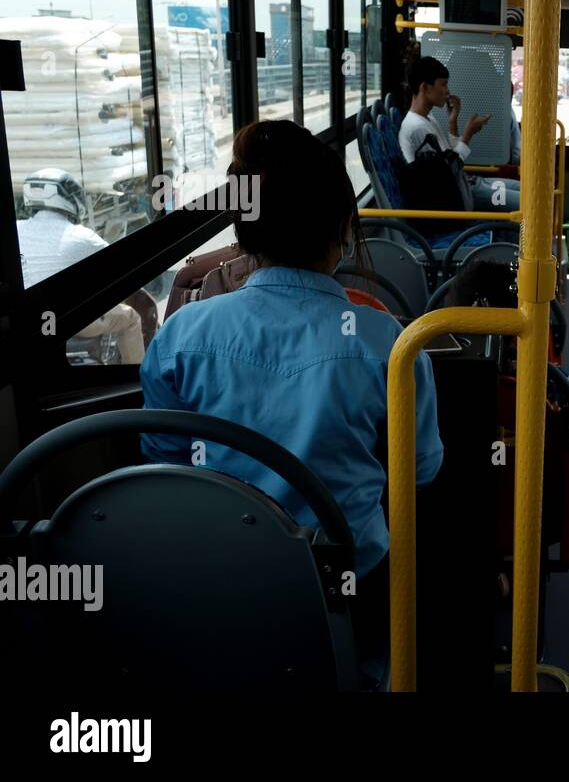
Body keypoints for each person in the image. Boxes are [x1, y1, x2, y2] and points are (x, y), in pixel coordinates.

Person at [139, 120, 443, 667]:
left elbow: (167, 461)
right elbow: (419, 471)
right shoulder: (388, 343)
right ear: (343, 231)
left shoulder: (180, 336)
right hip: (347, 581)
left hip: (221, 581)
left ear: (244, 234)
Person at [17, 168, 146, 364]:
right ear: (66, 198)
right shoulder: (81, 236)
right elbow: (121, 269)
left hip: (27, 320)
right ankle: (136, 380)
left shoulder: (17, 229)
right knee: (130, 318)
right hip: (66, 319)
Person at [398, 56, 521, 211]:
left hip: (468, 183)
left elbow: (448, 156)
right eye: (443, 84)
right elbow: (447, 172)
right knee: (527, 203)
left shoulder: (427, 119)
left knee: (524, 189)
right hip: (464, 194)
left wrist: (452, 122)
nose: (447, 90)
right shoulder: (417, 128)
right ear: (425, 88)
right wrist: (468, 135)